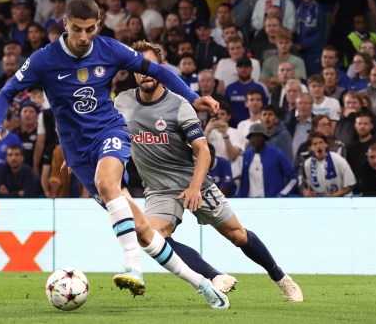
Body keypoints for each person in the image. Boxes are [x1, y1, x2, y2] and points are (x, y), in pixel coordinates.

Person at [0, 0, 228, 308]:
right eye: (77, 30)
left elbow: (157, 71)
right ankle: (202, 284)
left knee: (107, 184)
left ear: (98, 25)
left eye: (89, 29)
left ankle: (132, 267)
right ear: (65, 25)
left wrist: (192, 97)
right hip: (77, 153)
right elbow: (6, 92)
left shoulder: (110, 49)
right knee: (140, 228)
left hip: (109, 133)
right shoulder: (45, 59)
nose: (84, 37)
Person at [118, 41, 303, 301]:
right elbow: (107, 135)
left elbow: (203, 151)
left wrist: (194, 187)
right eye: (139, 67)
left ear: (161, 69)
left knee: (238, 235)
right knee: (151, 237)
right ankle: (215, 276)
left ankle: (281, 277)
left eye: (149, 67)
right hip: (159, 190)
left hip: (195, 183)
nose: (144, 73)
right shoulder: (123, 102)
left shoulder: (179, 105)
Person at [301, 132, 356, 197]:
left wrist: (333, 196)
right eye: (315, 144)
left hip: (340, 199)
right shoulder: (308, 164)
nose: (318, 146)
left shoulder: (338, 159)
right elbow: (311, 186)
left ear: (326, 144)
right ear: (311, 148)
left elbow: (351, 184)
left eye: (321, 142)